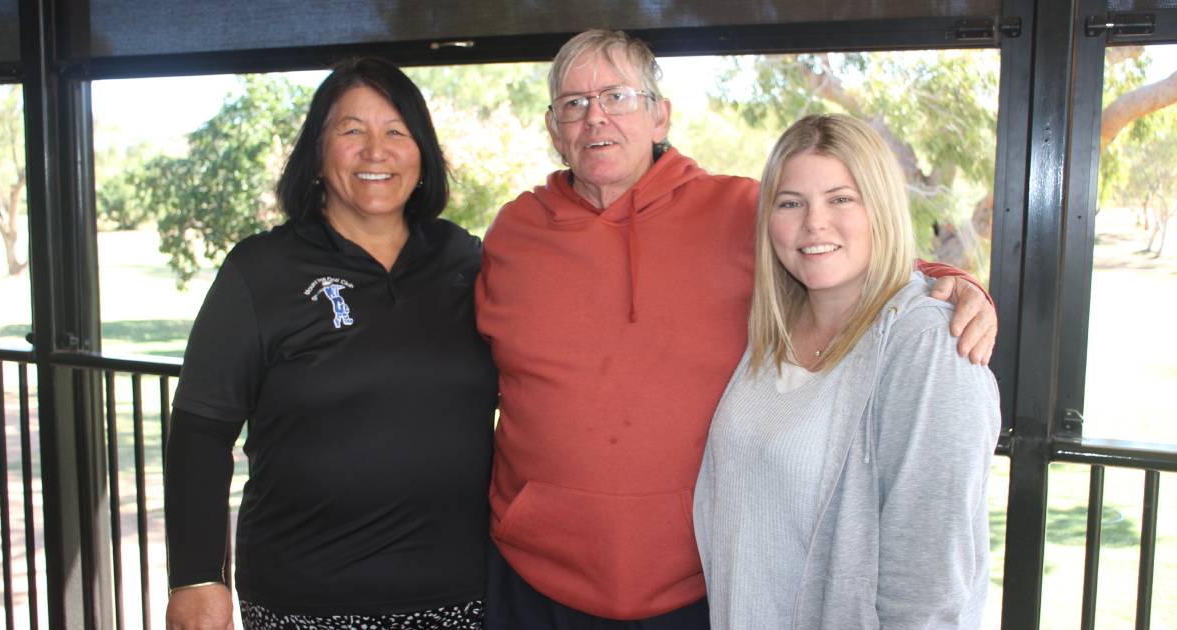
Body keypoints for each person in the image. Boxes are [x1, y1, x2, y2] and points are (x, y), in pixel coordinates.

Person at [476, 30, 998, 629]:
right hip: (533, 579)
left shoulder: (741, 211)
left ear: (659, 114)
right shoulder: (513, 234)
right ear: (554, 128)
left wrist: (950, 281)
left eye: (618, 96)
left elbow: (833, 244)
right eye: (573, 103)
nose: (595, 117)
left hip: (699, 585)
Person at [163, 58, 497, 630]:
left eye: (397, 130)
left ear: (422, 152)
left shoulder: (466, 260)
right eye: (351, 131)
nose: (376, 151)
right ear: (317, 153)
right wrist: (196, 578)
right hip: (306, 601)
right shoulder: (260, 270)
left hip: (463, 593)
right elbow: (200, 428)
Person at [692, 114, 1001, 629]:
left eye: (841, 199)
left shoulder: (927, 348)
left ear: (880, 207)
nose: (815, 223)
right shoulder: (772, 330)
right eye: (791, 203)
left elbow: (927, 592)